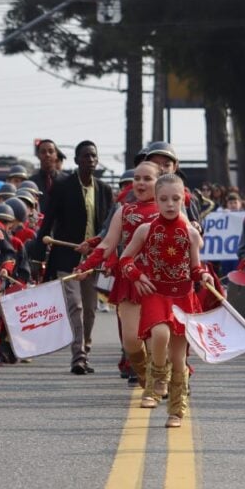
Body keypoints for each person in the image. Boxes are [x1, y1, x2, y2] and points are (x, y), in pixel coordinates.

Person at [119, 173, 211, 428]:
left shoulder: (190, 233)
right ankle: (158, 374)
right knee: (160, 334)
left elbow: (195, 268)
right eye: (164, 199)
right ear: (156, 201)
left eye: (175, 199)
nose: (170, 204)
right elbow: (124, 260)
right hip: (156, 294)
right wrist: (137, 276)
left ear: (184, 200)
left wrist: (203, 276)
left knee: (180, 359)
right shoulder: (145, 230)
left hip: (183, 296)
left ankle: (176, 411)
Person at [74, 161, 160, 399]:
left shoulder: (170, 208)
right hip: (130, 278)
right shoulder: (124, 211)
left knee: (156, 339)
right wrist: (86, 266)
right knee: (131, 340)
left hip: (159, 281)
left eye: (147, 179)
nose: (141, 183)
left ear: (159, 182)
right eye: (137, 178)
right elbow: (107, 243)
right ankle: (145, 377)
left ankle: (156, 384)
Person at [32, 140, 114, 374]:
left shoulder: (104, 190)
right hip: (67, 257)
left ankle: (85, 350)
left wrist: (106, 254)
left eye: (93, 156)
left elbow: (109, 228)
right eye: (86, 156)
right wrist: (38, 259)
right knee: (75, 306)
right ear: (76, 160)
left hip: (93, 260)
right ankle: (77, 355)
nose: (90, 160)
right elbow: (47, 223)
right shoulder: (62, 186)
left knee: (89, 309)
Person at [29, 139, 68, 208]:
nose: (47, 154)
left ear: (56, 155)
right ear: (38, 155)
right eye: (43, 152)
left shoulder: (67, 180)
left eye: (51, 151)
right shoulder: (31, 182)